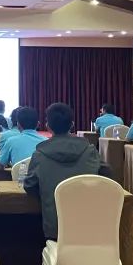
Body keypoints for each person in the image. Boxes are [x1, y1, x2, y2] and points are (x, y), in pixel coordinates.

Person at [23, 103, 107, 240]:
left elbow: (29, 186)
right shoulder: (90, 150)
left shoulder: (39, 155)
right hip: (90, 226)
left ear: (47, 126)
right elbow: (107, 178)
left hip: (55, 228)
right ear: (72, 125)